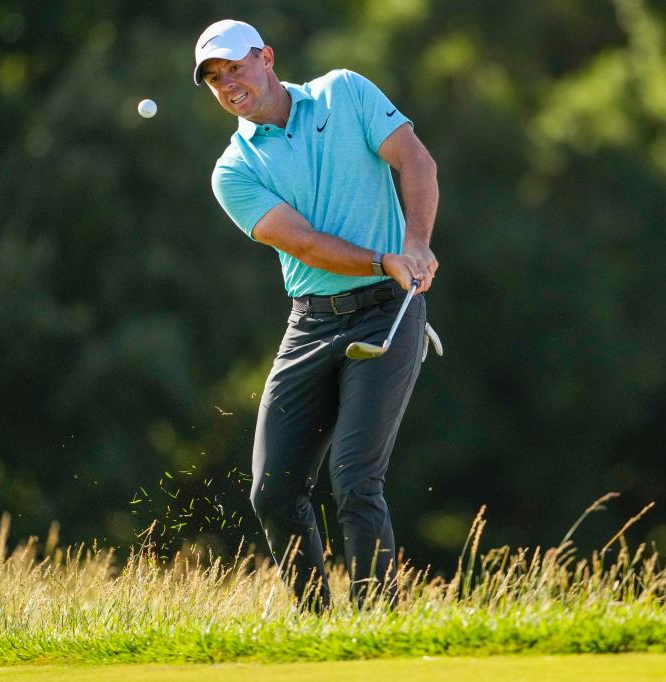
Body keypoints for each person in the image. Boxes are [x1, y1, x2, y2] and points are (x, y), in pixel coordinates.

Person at [194, 19, 439, 610]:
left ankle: (379, 622)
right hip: (311, 324)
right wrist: (385, 260)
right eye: (214, 78)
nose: (229, 84)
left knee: (355, 479)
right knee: (272, 494)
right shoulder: (234, 170)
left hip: (388, 313)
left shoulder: (344, 92)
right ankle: (319, 626)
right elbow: (301, 241)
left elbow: (414, 160)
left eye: (236, 67)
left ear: (268, 57)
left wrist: (416, 244)